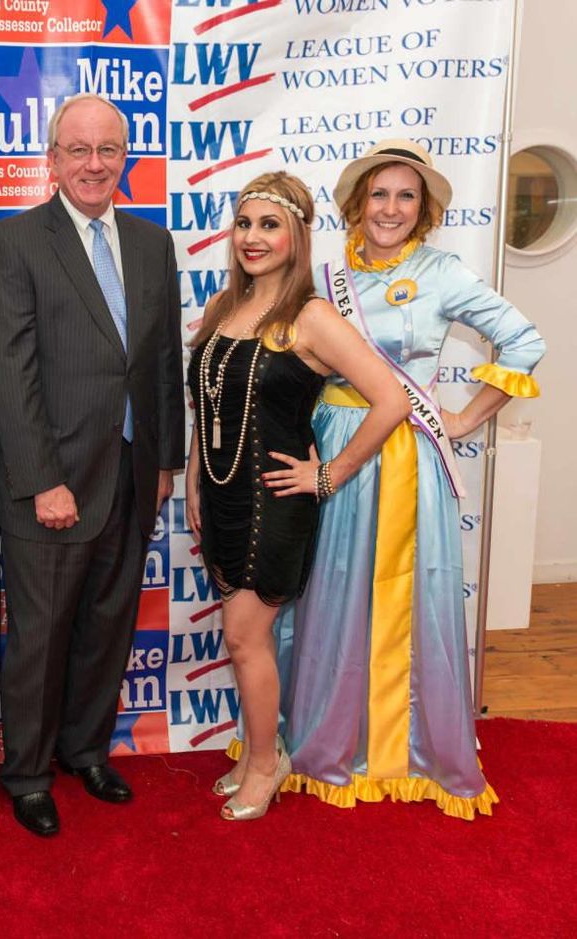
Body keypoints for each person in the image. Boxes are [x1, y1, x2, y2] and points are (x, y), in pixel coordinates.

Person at [275, 139, 546, 819]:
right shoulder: (329, 278)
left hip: (401, 456)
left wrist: (463, 419)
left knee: (402, 597)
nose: (390, 208)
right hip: (337, 449)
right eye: (379, 194)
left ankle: (405, 748)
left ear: (422, 208)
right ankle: (327, 739)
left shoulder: (442, 272)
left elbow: (526, 342)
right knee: (332, 597)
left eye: (406, 195)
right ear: (357, 204)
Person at [0, 93, 185, 837]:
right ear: (53, 159)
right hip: (52, 482)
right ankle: (28, 773)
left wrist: (165, 462)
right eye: (79, 149)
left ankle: (86, 747)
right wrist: (40, 480)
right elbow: (12, 370)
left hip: (133, 474)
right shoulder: (13, 241)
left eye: (108, 149)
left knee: (108, 624)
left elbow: (162, 362)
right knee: (40, 636)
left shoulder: (153, 243)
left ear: (125, 157)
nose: (95, 163)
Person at [186, 172, 410, 821]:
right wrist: (199, 477)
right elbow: (206, 405)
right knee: (245, 639)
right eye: (245, 223)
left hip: (275, 507)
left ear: (297, 235)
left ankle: (266, 762)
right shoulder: (224, 307)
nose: (253, 238)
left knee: (244, 636)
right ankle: (257, 746)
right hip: (224, 497)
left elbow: (390, 399)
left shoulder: (310, 316)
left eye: (269, 225)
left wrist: (329, 473)